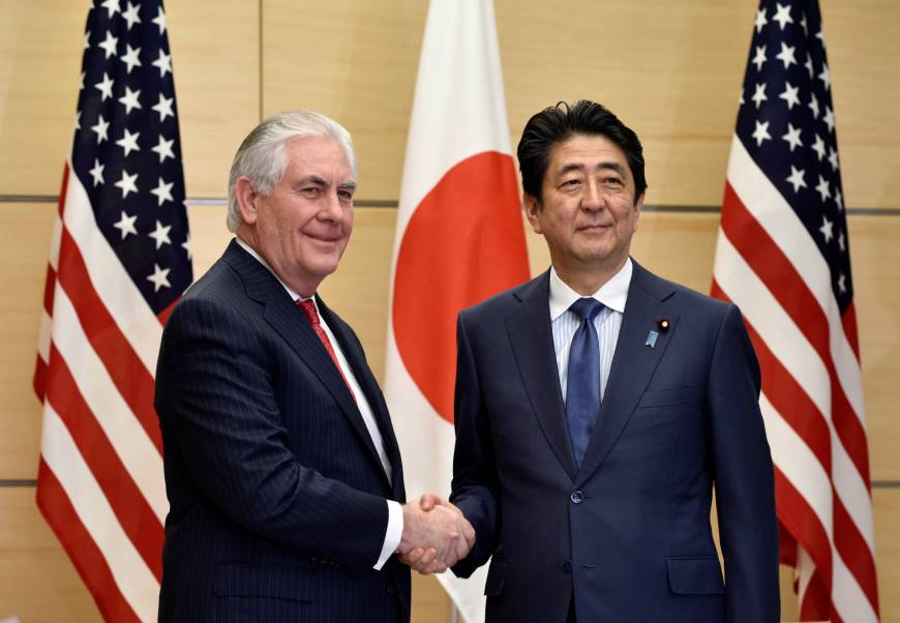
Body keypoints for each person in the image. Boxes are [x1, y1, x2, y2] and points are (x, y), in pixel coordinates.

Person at [442, 100, 780, 622]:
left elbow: (749, 520)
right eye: (571, 183)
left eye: (613, 182)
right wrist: (458, 527)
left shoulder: (708, 331)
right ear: (533, 209)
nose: (595, 202)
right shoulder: (485, 330)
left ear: (639, 203)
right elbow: (480, 480)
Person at [154, 111, 473, 622]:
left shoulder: (329, 326)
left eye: (344, 194)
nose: (335, 213)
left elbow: (338, 472)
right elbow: (265, 486)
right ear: (249, 200)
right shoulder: (214, 317)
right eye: (312, 190)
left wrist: (408, 517)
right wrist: (403, 527)